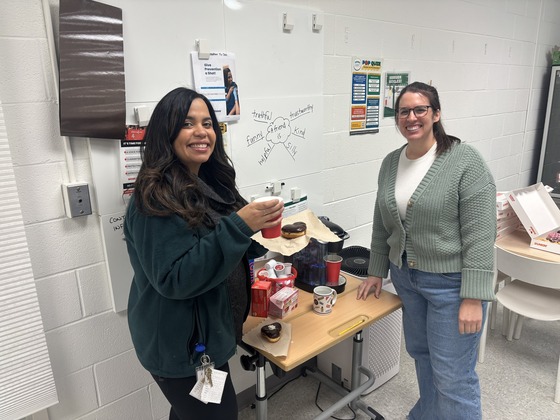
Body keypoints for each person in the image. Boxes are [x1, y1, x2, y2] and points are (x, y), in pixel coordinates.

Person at [124, 87, 283, 419]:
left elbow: (225, 247)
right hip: (181, 346)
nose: (201, 132)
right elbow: (175, 279)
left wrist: (258, 233)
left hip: (211, 332)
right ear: (166, 134)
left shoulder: (212, 184)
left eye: (208, 123)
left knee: (191, 413)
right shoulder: (153, 199)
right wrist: (240, 227)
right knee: (217, 415)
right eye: (188, 123)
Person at [356, 81, 496, 419]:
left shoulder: (465, 161)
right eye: (404, 111)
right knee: (422, 355)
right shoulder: (391, 162)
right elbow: (382, 221)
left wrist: (473, 296)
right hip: (407, 278)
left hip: (451, 284)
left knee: (453, 376)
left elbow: (480, 233)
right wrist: (377, 270)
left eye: (420, 109)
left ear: (436, 114)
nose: (412, 117)